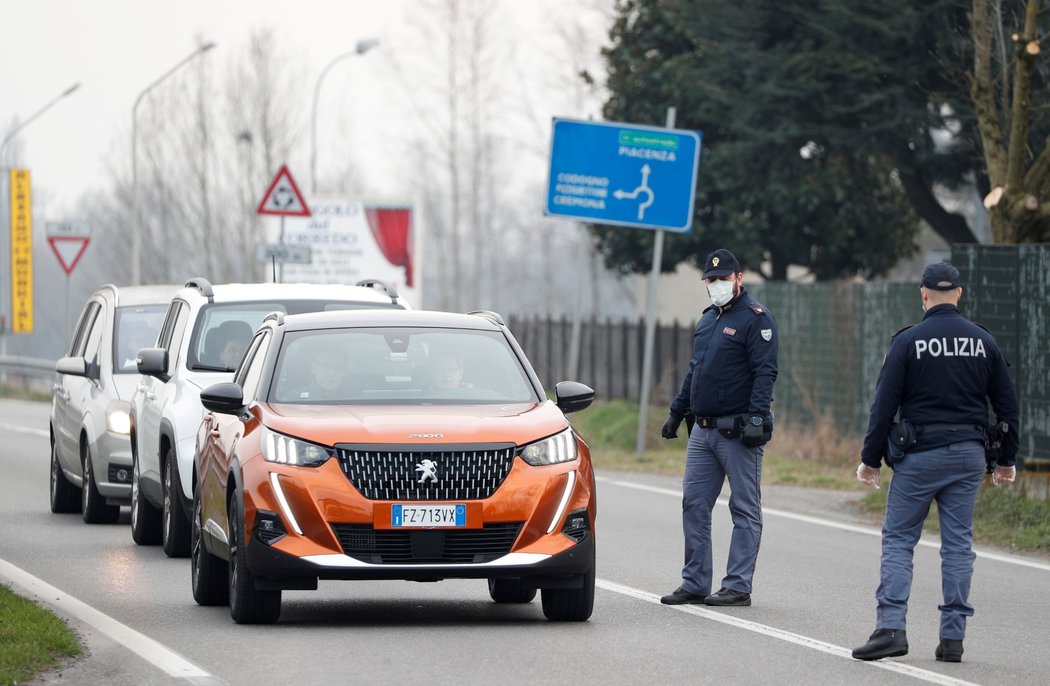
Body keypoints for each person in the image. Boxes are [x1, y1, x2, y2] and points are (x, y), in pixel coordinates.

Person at [851, 262, 1019, 663]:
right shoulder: (983, 341)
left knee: (899, 540)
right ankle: (953, 640)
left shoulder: (909, 341)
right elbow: (1007, 407)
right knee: (958, 545)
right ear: (959, 294)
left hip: (920, 456)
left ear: (923, 294)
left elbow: (883, 406)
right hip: (967, 455)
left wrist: (869, 459)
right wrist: (1006, 461)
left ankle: (890, 629)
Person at [658, 248, 779, 608]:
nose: (716, 285)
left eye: (723, 278)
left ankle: (737, 586)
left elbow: (765, 373)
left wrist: (757, 418)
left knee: (744, 509)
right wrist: (677, 412)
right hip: (703, 431)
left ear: (739, 279)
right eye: (711, 280)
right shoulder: (708, 320)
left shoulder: (757, 320)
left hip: (738, 432)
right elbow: (696, 370)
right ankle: (694, 582)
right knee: (694, 504)